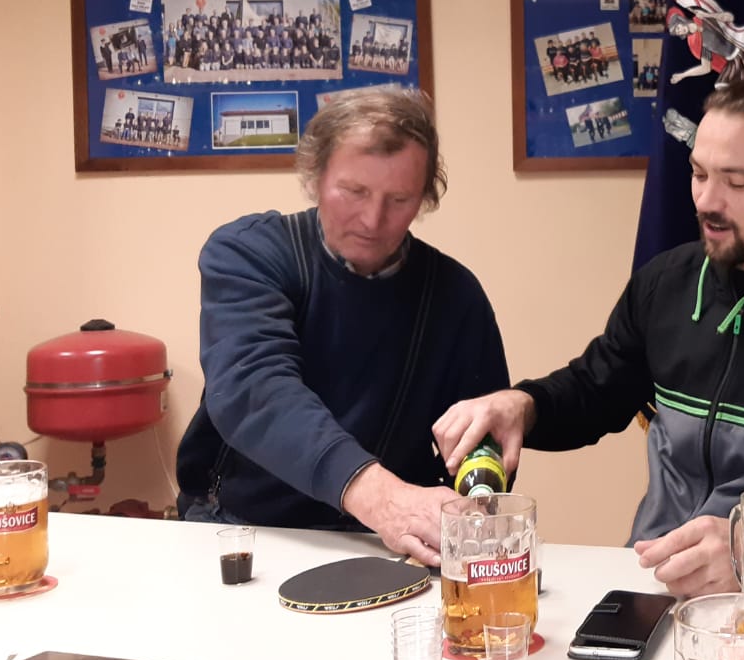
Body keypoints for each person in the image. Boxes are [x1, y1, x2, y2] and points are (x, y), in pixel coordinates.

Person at [434, 78, 744, 597]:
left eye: (737, 183)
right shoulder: (668, 283)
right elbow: (597, 387)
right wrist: (524, 405)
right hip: (656, 583)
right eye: (699, 174)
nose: (706, 201)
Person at [175, 88, 509, 564]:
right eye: (354, 192)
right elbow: (254, 391)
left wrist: (470, 506)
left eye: (399, 199)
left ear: (423, 198)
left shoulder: (456, 296)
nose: (373, 220)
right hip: (245, 528)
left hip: (387, 546)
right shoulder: (248, 254)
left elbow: (481, 438)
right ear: (315, 176)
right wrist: (381, 498)